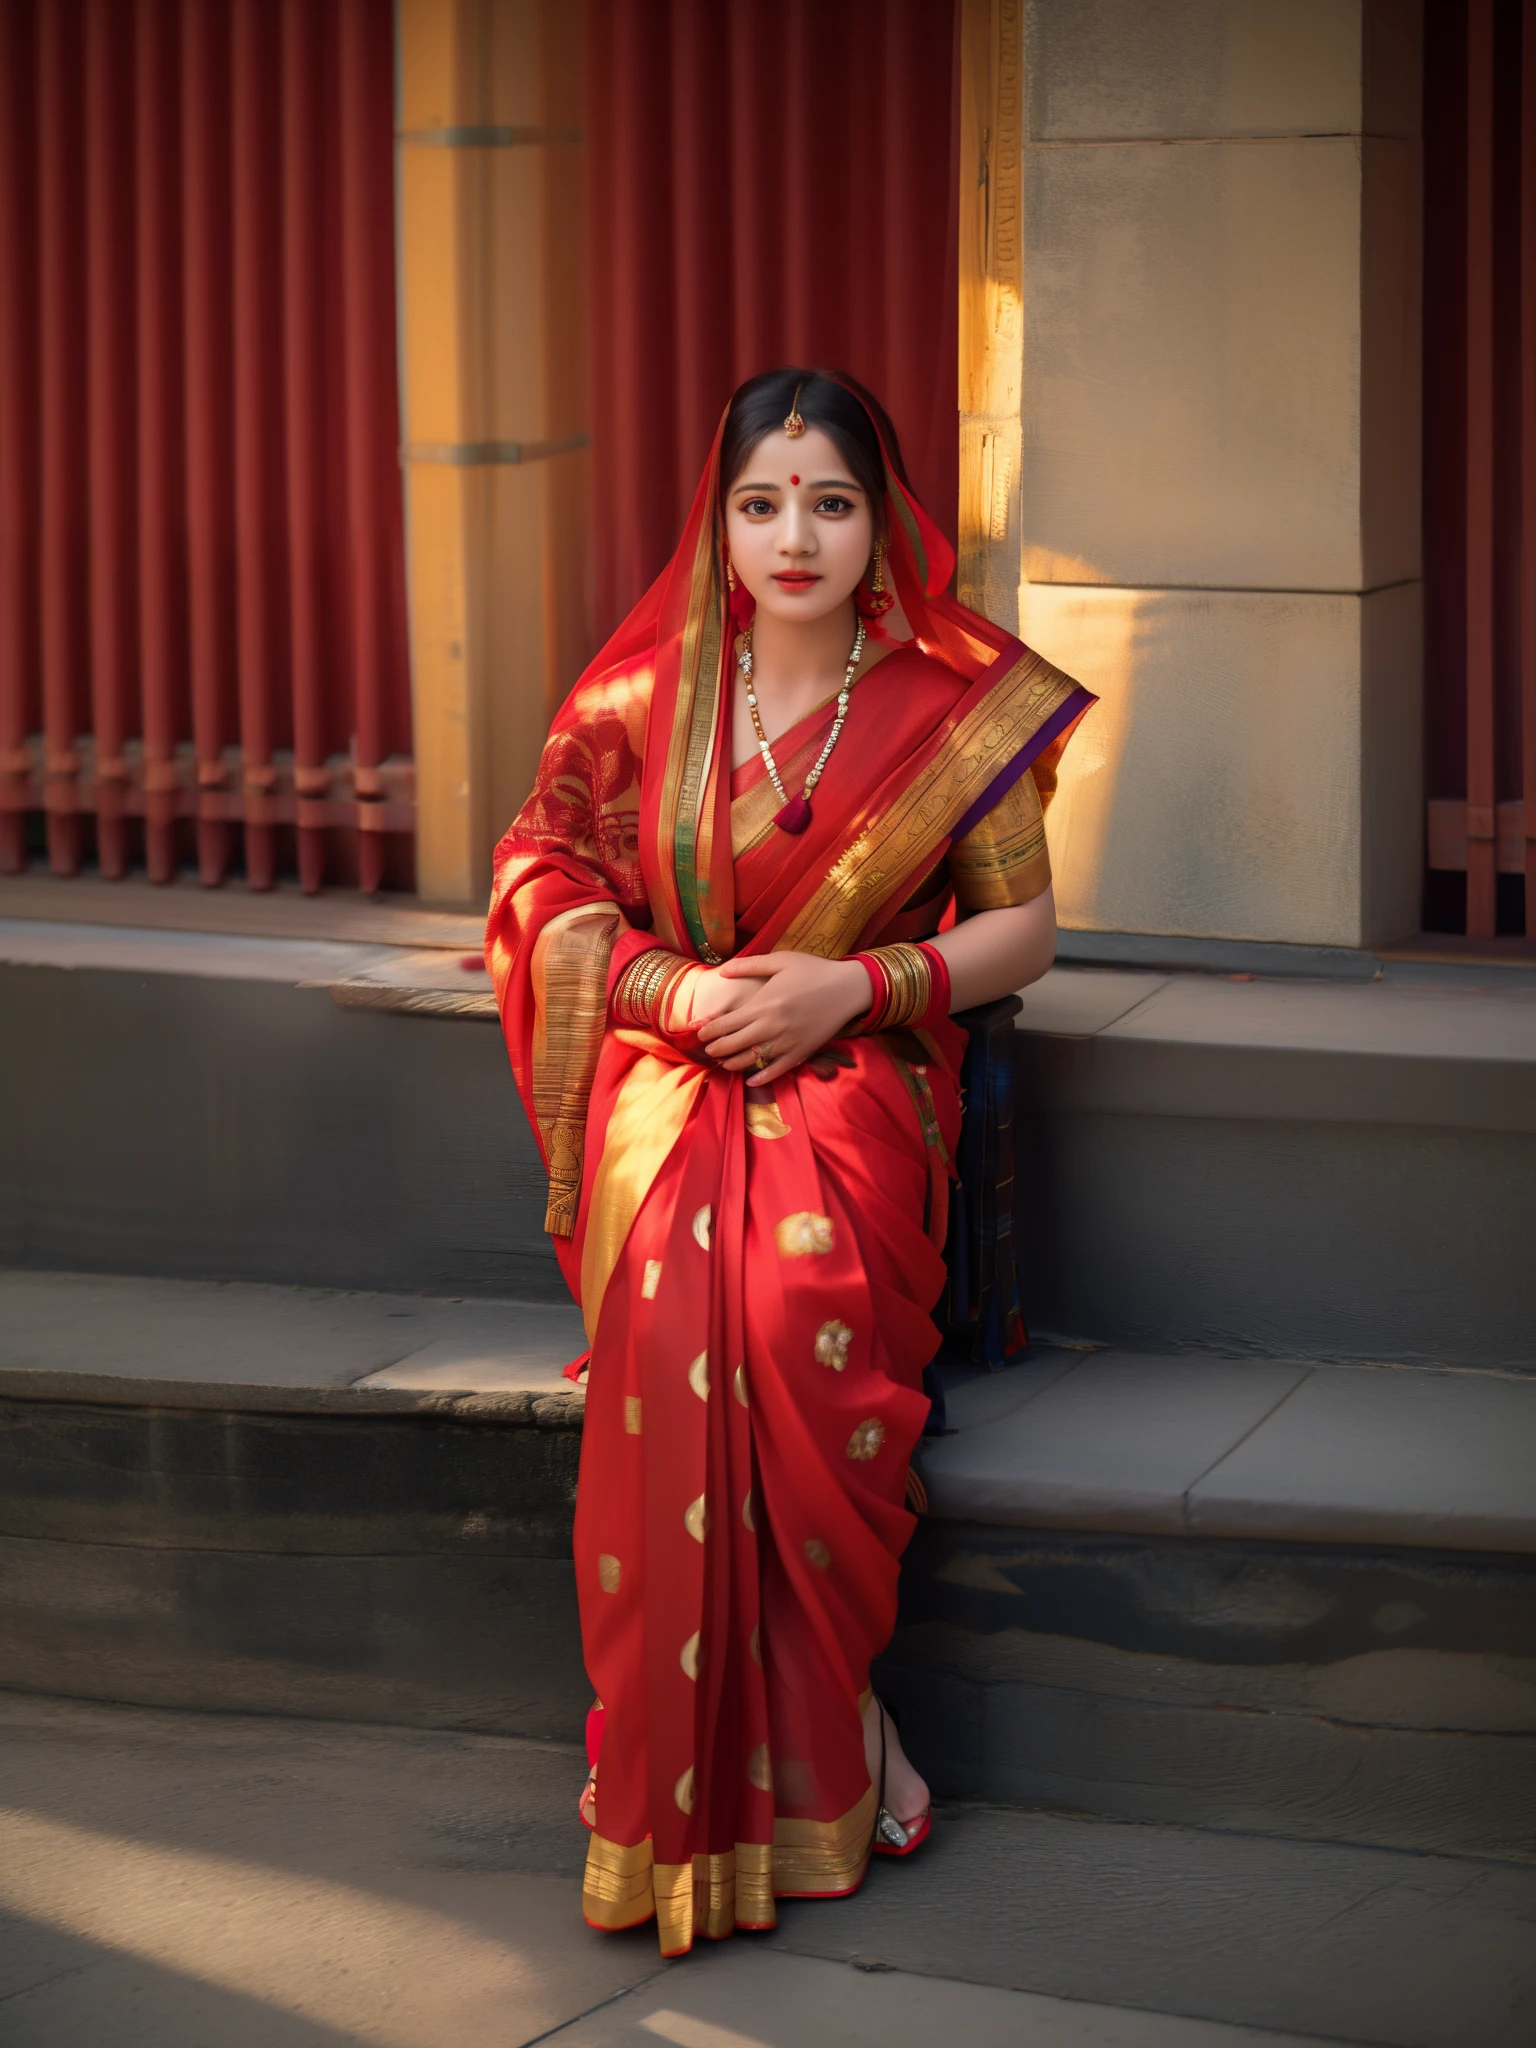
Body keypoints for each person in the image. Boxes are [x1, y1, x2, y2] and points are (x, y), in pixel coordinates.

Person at [486, 368, 1093, 1956]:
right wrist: (668, 989)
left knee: (780, 1325)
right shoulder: (639, 706)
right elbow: (540, 880)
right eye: (762, 503)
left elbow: (1024, 930)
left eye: (830, 501)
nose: (796, 535)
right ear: (720, 521)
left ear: (882, 520)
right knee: (680, 1325)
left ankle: (832, 1739)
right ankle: (690, 1760)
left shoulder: (965, 710)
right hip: (674, 1072)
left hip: (863, 1072)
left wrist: (853, 987)